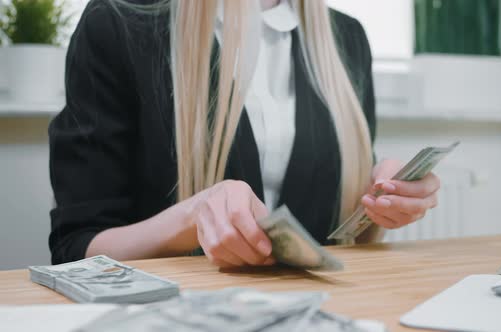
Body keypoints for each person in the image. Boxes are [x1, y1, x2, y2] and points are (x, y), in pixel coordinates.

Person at [49, 0, 440, 267]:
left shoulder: (347, 38)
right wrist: (191, 217)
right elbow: (76, 251)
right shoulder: (119, 21)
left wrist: (383, 194)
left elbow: (339, 230)